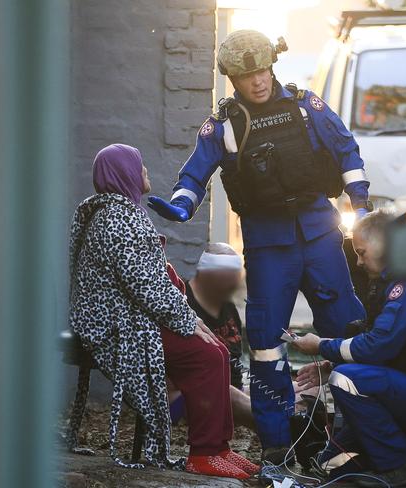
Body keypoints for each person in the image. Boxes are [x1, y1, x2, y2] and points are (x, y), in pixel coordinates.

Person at [147, 30, 369, 462]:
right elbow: (195, 173)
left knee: (348, 331)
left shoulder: (306, 107)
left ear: (273, 66)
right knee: (266, 343)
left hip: (321, 234)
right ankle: (277, 441)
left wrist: (358, 197)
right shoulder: (223, 125)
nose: (259, 81)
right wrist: (179, 206)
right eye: (247, 75)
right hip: (269, 246)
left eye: (263, 70)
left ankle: (358, 432)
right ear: (233, 78)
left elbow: (345, 148)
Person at [68, 144, 258, 479]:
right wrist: (189, 319)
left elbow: (145, 277)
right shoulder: (118, 219)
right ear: (124, 174)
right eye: (139, 167)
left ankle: (220, 448)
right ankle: (205, 453)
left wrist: (187, 315)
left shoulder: (119, 213)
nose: (145, 172)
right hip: (118, 325)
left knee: (215, 350)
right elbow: (144, 288)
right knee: (206, 355)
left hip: (130, 315)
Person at [292, 210, 406, 486]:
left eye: (362, 252)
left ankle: (400, 462)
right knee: (330, 466)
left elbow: (379, 346)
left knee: (346, 380)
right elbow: (383, 346)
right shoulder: (394, 282)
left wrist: (322, 346)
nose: (359, 261)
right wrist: (329, 366)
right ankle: (379, 457)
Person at [184, 242, 255, 430]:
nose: (234, 282)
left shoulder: (228, 307)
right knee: (271, 415)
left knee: (301, 390)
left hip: (234, 388)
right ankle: (283, 429)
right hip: (199, 391)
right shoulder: (182, 303)